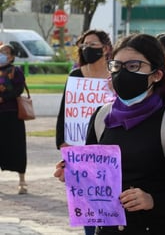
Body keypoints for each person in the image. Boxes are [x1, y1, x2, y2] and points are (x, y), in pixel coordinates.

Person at [54, 33, 165, 235]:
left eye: (133, 66)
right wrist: (73, 174)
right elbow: (94, 180)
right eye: (116, 66)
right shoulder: (101, 117)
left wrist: (152, 200)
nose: (123, 73)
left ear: (156, 74)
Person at [55, 29, 113, 235]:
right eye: (84, 45)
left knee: (109, 202)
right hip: (79, 151)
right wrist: (63, 143)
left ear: (106, 48)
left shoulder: (115, 78)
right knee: (88, 206)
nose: (87, 49)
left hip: (108, 150)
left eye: (92, 45)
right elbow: (65, 112)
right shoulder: (76, 75)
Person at [0, 43, 28, 194]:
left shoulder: (15, 71)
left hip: (12, 115)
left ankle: (22, 181)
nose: (1, 55)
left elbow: (19, 89)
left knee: (17, 147)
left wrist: (3, 99)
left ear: (11, 56)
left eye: (4, 52)